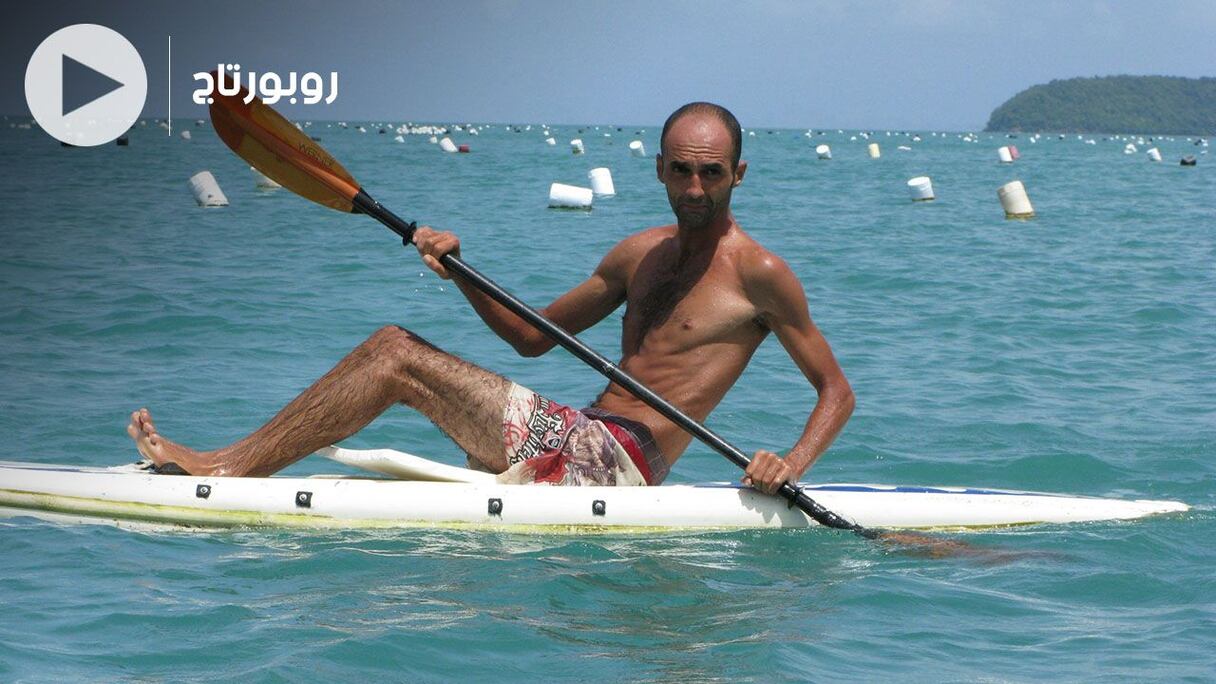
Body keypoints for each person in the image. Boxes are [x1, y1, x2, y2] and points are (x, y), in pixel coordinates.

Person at [128, 102, 854, 495]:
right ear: (659, 168)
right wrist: (460, 272)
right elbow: (532, 337)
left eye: (712, 173)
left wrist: (790, 463)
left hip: (617, 462)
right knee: (394, 352)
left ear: (738, 174)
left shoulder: (759, 273)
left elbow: (836, 392)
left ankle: (226, 469)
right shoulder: (639, 254)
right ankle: (237, 464)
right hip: (576, 434)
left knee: (393, 353)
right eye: (682, 171)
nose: (695, 188)